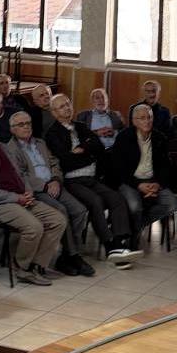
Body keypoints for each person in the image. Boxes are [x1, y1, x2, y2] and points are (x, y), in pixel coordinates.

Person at [0, 113, 67, 286]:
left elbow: (20, 173)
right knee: (33, 227)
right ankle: (22, 268)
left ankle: (37, 265)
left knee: (58, 220)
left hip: (21, 198)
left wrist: (27, 191)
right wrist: (16, 198)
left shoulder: (2, 147)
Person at [43, 94, 140, 265]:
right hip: (72, 181)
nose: (66, 108)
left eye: (68, 103)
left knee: (116, 198)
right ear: (54, 112)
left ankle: (119, 242)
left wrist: (82, 148)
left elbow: (98, 146)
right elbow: (64, 160)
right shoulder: (52, 134)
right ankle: (109, 245)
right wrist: (88, 154)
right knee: (95, 201)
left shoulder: (80, 126)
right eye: (61, 106)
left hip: (93, 178)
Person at [5, 111, 95, 277]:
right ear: (12, 129)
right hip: (37, 190)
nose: (26, 127)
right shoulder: (10, 149)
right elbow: (21, 176)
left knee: (80, 210)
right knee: (61, 210)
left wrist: (55, 179)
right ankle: (73, 256)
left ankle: (67, 255)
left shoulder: (40, 142)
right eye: (21, 124)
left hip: (54, 185)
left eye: (28, 123)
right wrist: (45, 185)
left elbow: (54, 162)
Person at [114, 105, 177, 239]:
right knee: (134, 207)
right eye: (142, 118)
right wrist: (138, 185)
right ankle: (133, 235)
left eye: (149, 117)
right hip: (130, 181)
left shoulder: (159, 137)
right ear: (134, 121)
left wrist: (158, 184)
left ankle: (136, 227)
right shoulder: (124, 137)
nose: (147, 121)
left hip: (153, 181)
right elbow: (118, 168)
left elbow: (166, 166)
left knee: (172, 204)